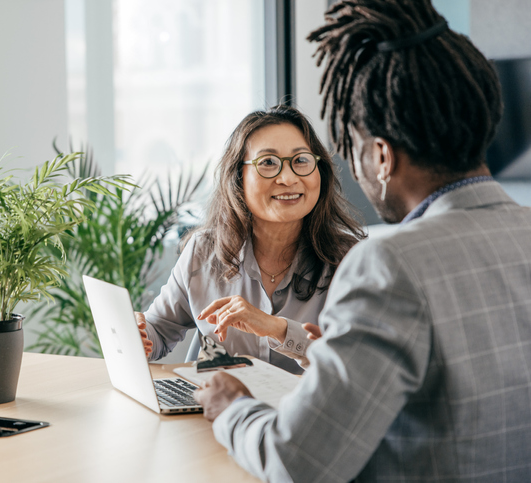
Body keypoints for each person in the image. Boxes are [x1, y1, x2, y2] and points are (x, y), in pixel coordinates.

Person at [194, 1, 531, 481]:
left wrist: (232, 407)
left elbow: (299, 463)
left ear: (380, 156)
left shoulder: (388, 263)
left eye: (350, 151)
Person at [135, 105, 364, 374]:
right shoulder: (203, 250)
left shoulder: (352, 261)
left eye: (301, 160)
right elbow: (159, 331)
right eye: (268, 163)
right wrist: (140, 335)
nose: (288, 178)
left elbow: (354, 362)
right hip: (216, 411)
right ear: (238, 178)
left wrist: (278, 329)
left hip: (301, 414)